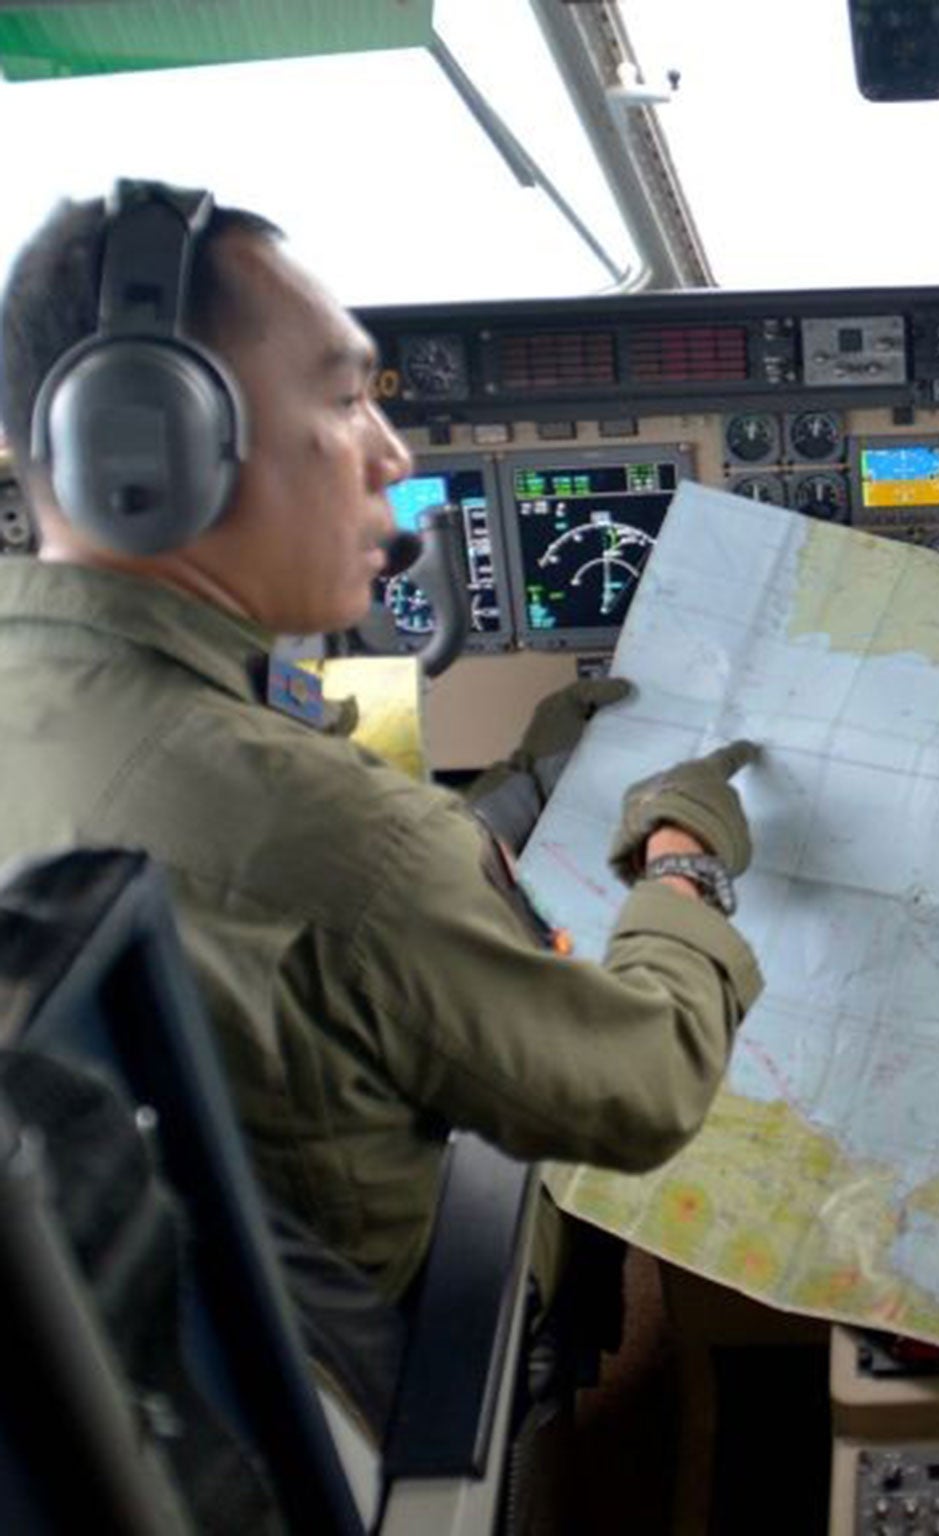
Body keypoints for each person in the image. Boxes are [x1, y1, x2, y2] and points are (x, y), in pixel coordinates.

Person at [0, 184, 764, 1319]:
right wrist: (679, 865)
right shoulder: (337, 841)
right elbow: (642, 1086)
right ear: (154, 441)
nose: (392, 452)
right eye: (350, 397)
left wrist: (510, 793)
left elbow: (324, 895)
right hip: (377, 1374)